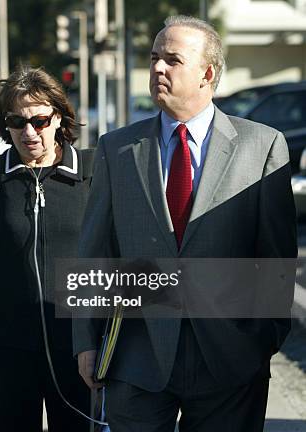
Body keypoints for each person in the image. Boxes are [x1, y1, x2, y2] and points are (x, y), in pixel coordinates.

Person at [73, 15, 297, 431]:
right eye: (155, 57)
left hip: (230, 360)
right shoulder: (117, 148)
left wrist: (262, 341)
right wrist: (86, 342)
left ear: (207, 73)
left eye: (172, 60)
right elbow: (95, 252)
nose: (158, 68)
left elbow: (276, 259)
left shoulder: (262, 146)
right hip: (136, 358)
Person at [0, 66, 92, 432]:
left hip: (79, 350)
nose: (29, 132)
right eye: (17, 122)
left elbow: (113, 257)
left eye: (40, 120)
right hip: (7, 350)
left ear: (59, 117)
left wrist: (102, 341)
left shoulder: (95, 172)